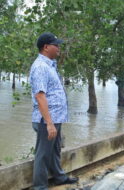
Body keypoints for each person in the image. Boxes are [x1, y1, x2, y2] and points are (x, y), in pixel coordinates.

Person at [30, 32, 78, 190]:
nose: (59, 48)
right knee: (43, 155)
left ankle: (59, 177)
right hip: (46, 120)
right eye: (56, 45)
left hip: (55, 118)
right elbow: (40, 96)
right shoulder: (40, 67)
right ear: (45, 47)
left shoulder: (49, 65)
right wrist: (49, 123)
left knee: (55, 150)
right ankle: (40, 187)